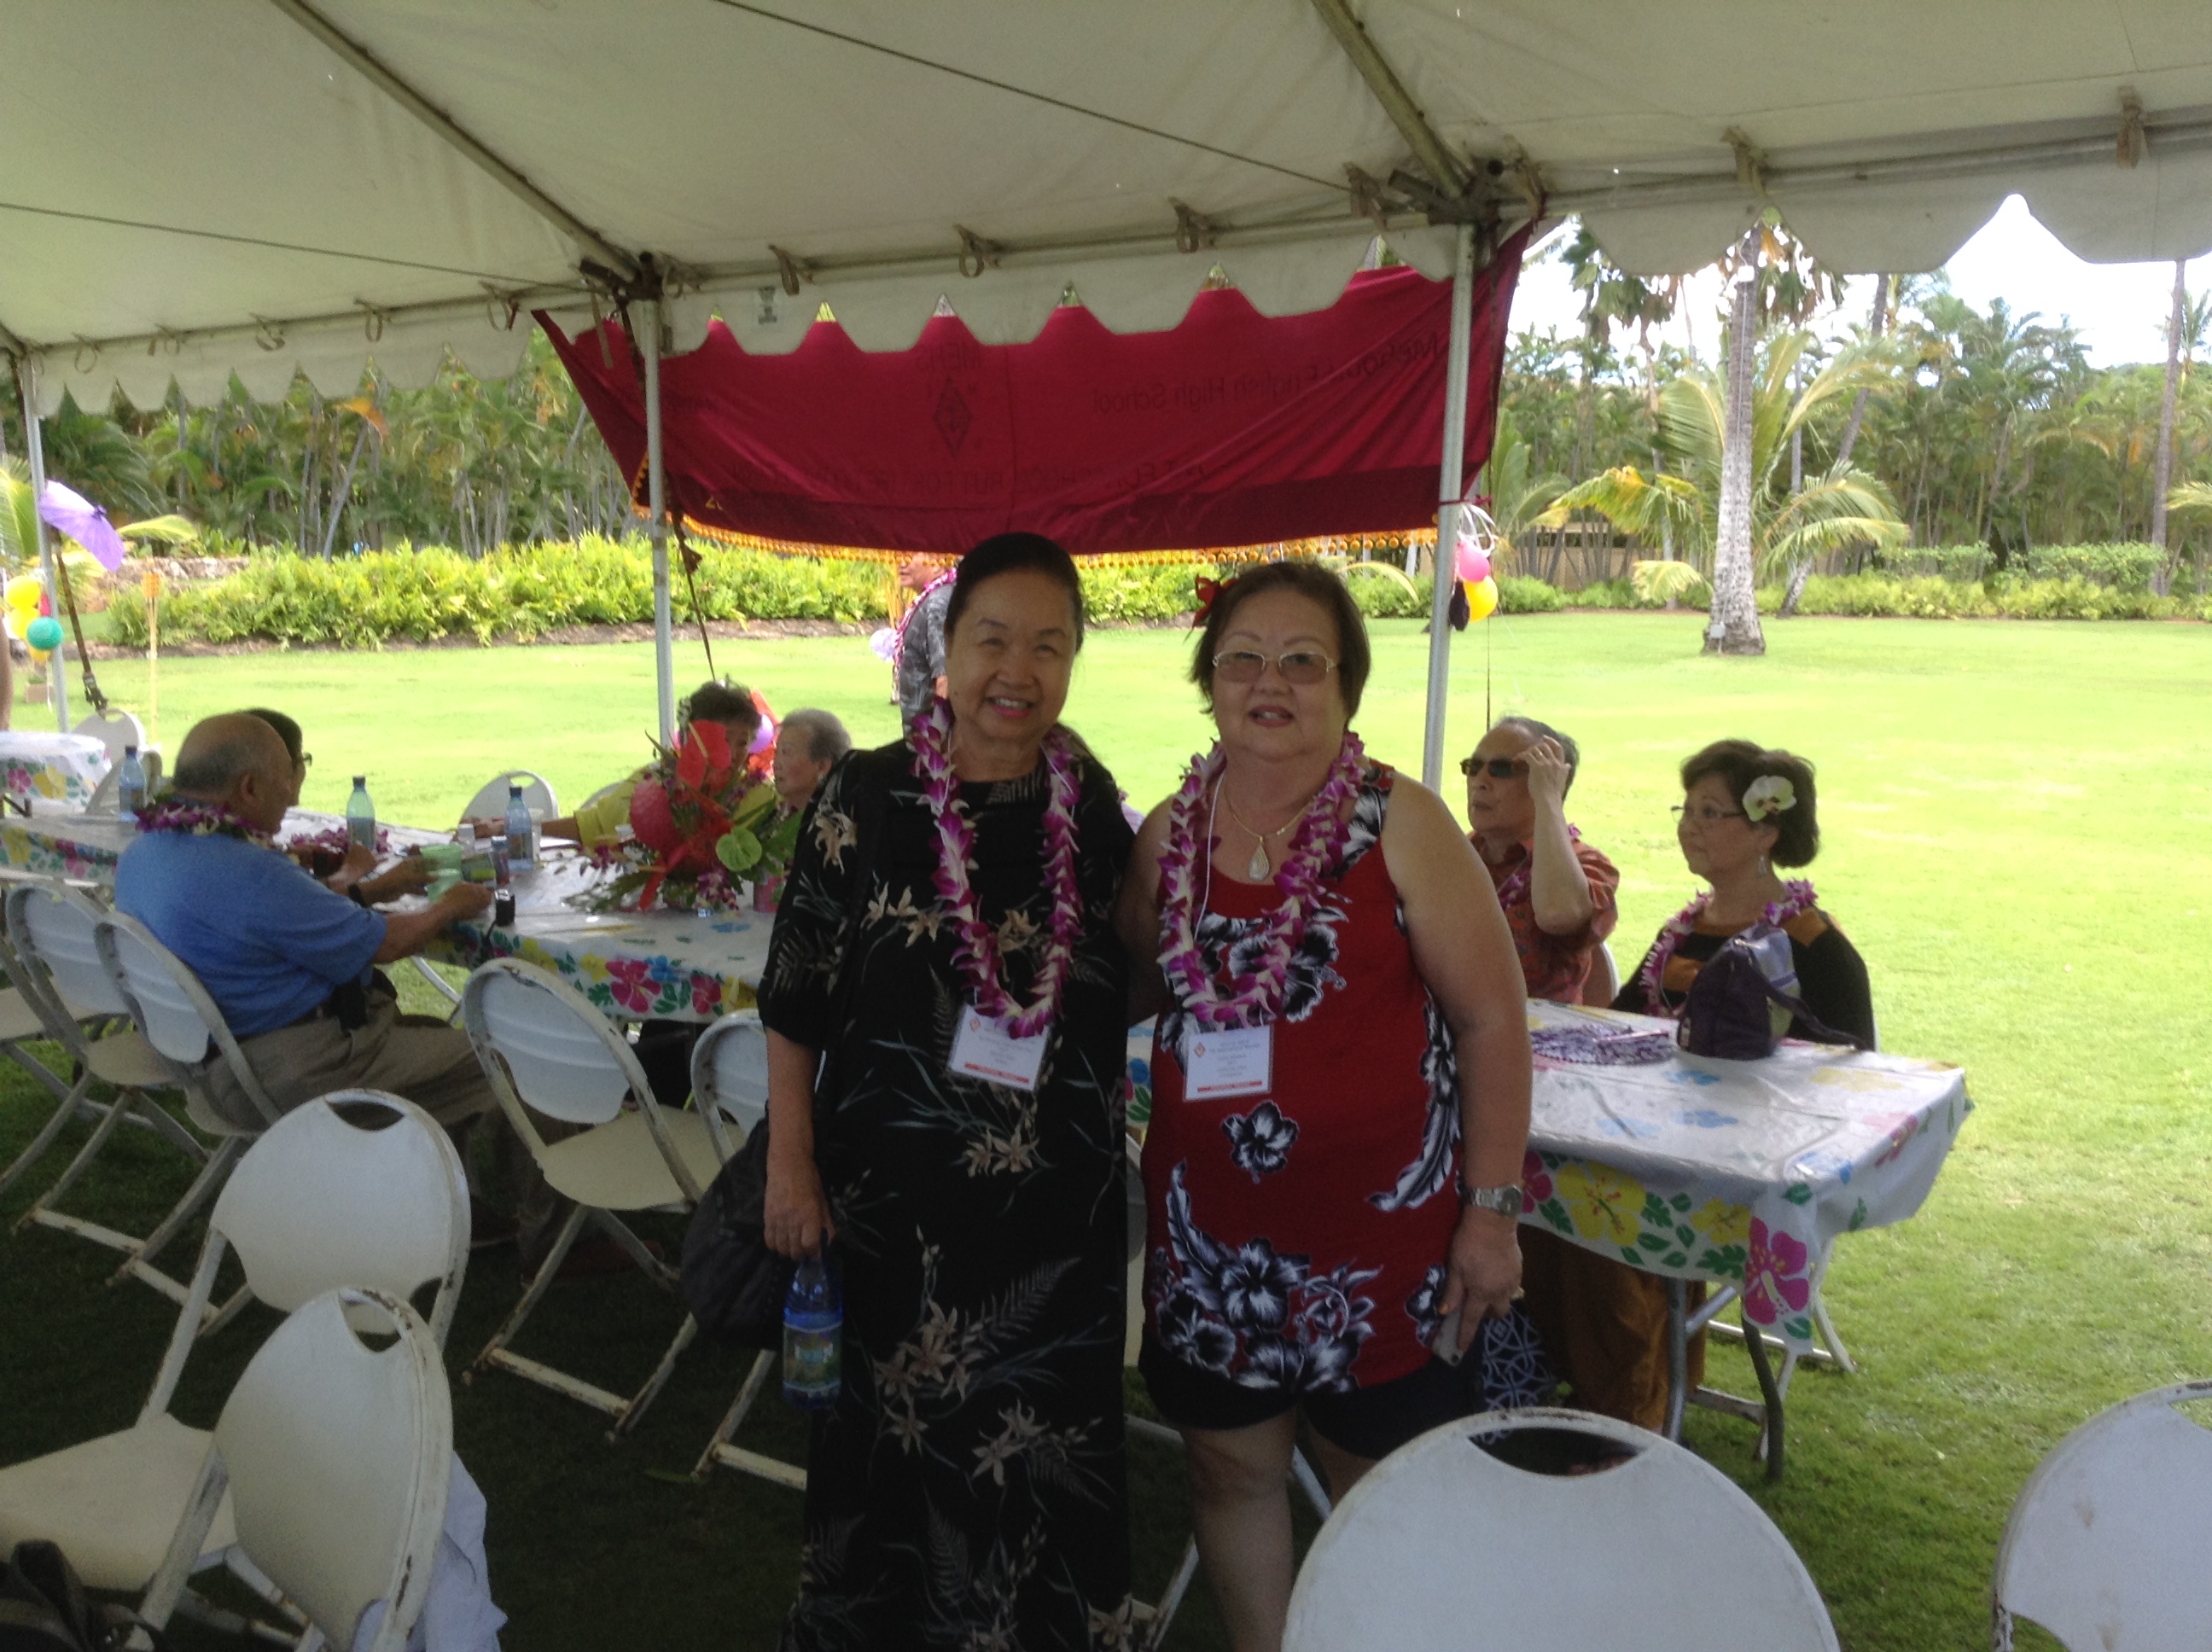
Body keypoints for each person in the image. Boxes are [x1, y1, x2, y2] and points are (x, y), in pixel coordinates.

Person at [1118, 561, 1533, 1652]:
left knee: (1384, 1491)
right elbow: (1133, 985)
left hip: (1382, 1255)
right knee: (1229, 1471)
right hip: (1209, 1247)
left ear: (1347, 685)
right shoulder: (1169, 835)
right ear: (1208, 680)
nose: (1271, 682)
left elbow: (1493, 1021)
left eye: (1303, 660)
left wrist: (1492, 1213)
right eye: (1243, 658)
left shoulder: (1405, 824)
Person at [759, 533, 1137, 1649]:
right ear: (947, 649)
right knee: (894, 1451)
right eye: (993, 640)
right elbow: (794, 992)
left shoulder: (1087, 800)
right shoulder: (868, 793)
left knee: (1038, 1455)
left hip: (1053, 1222)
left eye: (1049, 646)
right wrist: (791, 1163)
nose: (1018, 670)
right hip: (893, 1214)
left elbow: (1129, 971)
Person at [1522, 738, 1873, 1431]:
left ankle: (1629, 1411)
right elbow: (1621, 1028)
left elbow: (1853, 1079)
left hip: (1742, 1176)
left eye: (1711, 813)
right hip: (1655, 1145)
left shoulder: (1812, 942)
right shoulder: (1683, 932)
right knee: (1541, 1195)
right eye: (1686, 810)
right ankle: (1594, 1379)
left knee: (1594, 1214)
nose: (1689, 826)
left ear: (1767, 831)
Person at [114, 713, 496, 1133]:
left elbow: (291, 918)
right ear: (249, 788)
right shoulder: (254, 872)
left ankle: (434, 1171)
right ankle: (520, 1177)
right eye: (286, 778)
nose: (292, 797)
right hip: (293, 1072)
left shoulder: (142, 853)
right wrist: (450, 906)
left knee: (436, 1038)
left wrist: (374, 890)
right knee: (507, 1064)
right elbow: (386, 944)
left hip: (206, 1066)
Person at [1462, 716, 1619, 1006]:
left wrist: (1548, 798)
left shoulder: (1585, 863)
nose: (1480, 782)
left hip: (1537, 1030)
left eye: (1501, 769)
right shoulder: (1453, 853)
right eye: (1473, 767)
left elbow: (1558, 914)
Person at [534, 680, 770, 849]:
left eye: (743, 743)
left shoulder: (760, 797)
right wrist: (530, 830)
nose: (734, 753)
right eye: (723, 740)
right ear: (690, 738)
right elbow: (594, 825)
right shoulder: (653, 781)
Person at [243, 706, 432, 903]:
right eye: (302, 759)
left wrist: (287, 855)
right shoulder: (246, 857)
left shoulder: (228, 839)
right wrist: (353, 870)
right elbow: (306, 906)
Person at [892, 554, 954, 729]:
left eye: (910, 556)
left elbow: (945, 677)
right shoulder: (937, 596)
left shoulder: (938, 601)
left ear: (937, 563)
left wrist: (938, 734)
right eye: (901, 556)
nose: (902, 563)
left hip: (931, 734)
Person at [768, 707, 850, 815]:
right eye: (776, 752)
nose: (775, 764)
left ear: (822, 766)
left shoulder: (832, 821)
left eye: (786, 752)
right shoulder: (771, 813)